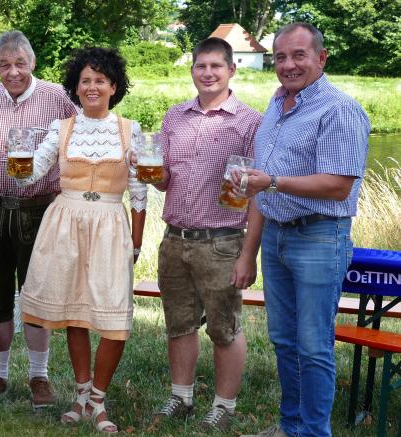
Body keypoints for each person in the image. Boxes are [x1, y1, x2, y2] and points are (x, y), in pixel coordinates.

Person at [238, 22, 370, 437]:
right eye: (280, 57)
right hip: (275, 235)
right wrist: (247, 252)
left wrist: (272, 182)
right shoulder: (276, 107)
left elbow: (337, 185)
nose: (289, 64)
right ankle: (290, 426)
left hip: (319, 236)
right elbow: (261, 186)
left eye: (299, 55)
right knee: (284, 341)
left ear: (321, 58)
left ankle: (313, 433)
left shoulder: (338, 109)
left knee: (313, 347)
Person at [17, 47, 146, 434]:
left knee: (112, 317)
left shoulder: (129, 129)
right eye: (85, 80)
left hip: (110, 223)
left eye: (99, 80)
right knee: (76, 312)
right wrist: (15, 156)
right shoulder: (63, 128)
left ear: (113, 86)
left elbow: (139, 192)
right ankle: (81, 393)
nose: (92, 87)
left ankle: (99, 399)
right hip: (65, 221)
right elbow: (28, 176)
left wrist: (136, 244)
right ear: (76, 87)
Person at [148, 37, 263, 432]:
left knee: (223, 326)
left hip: (222, 240)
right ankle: (180, 398)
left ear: (232, 70)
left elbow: (257, 193)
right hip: (175, 237)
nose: (208, 73)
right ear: (193, 70)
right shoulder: (174, 117)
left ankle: (224, 405)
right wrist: (148, 170)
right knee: (178, 322)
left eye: (217, 66)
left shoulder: (251, 122)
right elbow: (164, 180)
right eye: (201, 66)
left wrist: (249, 253)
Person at [0, 30, 76, 409]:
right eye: (4, 65)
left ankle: (39, 375)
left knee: (36, 295)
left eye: (19, 64)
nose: (12, 72)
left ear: (33, 63)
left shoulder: (56, 98)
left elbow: (75, 145)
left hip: (38, 206)